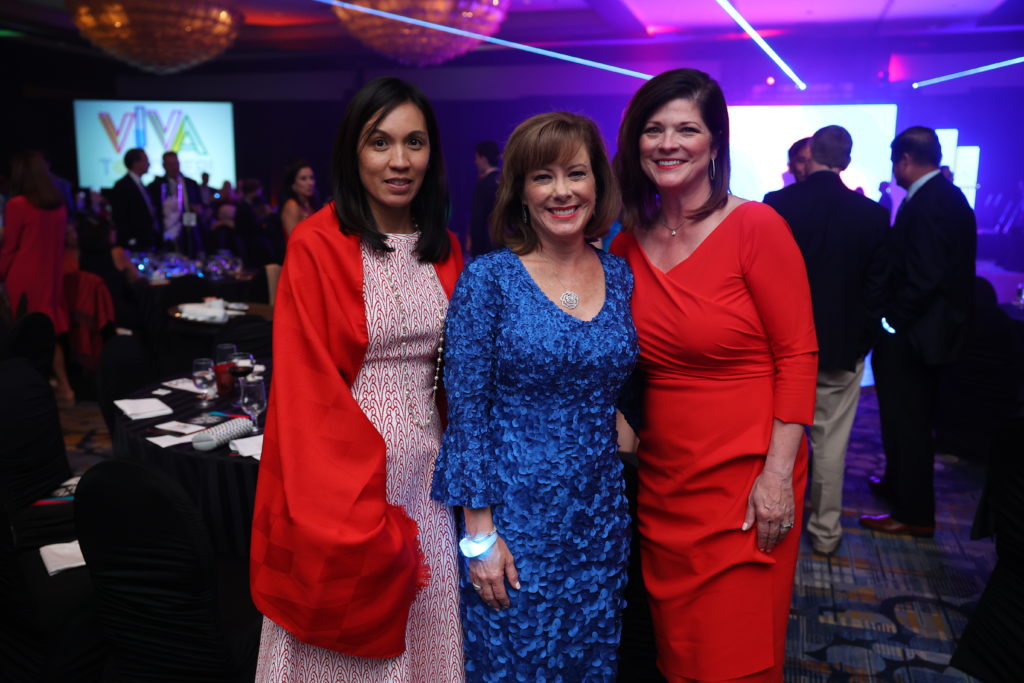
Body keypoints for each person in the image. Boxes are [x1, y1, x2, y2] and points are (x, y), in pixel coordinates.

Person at [250, 77, 465, 681]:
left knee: (424, 625)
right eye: (381, 143)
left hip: (431, 476)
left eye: (415, 143)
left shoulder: (443, 246)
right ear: (354, 152)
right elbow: (304, 384)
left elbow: (461, 367)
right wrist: (353, 496)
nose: (400, 161)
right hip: (347, 472)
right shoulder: (317, 243)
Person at [610, 68, 818, 681]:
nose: (668, 143)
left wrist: (777, 474)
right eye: (654, 129)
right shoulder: (625, 246)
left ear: (714, 144)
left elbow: (799, 355)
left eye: (686, 129)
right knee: (678, 648)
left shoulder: (756, 228)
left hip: (750, 476)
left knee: (736, 653)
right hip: (666, 477)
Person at [432, 111, 637, 680]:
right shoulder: (490, 279)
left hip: (597, 519)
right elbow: (467, 413)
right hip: (514, 524)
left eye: (576, 173)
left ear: (598, 182)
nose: (563, 191)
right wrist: (480, 537)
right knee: (513, 664)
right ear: (520, 191)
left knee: (589, 661)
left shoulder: (620, 275)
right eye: (543, 177)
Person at [763, 125, 889, 555]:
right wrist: (862, 340)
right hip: (841, 348)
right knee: (831, 447)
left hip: (779, 349)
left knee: (773, 439)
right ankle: (825, 533)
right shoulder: (872, 214)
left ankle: (771, 523)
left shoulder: (778, 205)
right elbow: (877, 288)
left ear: (809, 154)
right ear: (847, 162)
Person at [860, 126, 977, 537]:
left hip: (917, 337)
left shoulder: (931, 201)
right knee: (902, 422)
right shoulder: (942, 195)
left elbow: (924, 276)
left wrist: (892, 322)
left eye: (895, 163)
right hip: (926, 334)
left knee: (907, 425)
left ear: (905, 160)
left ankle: (913, 514)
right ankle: (898, 490)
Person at [0, 151, 75, 406]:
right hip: (50, 276)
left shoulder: (17, 205)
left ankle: (50, 389)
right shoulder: (57, 205)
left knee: (24, 335)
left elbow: (10, 248)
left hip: (24, 277)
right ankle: (59, 387)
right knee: (48, 332)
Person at [148, 151, 202, 254]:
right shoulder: (157, 185)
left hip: (188, 220)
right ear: (164, 165)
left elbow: (198, 204)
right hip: (167, 225)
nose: (174, 167)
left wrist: (197, 210)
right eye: (170, 164)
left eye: (176, 163)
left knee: (189, 247)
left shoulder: (190, 183)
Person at [109, 147, 158, 250]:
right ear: (135, 163)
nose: (148, 164)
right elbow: (120, 216)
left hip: (145, 240)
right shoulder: (122, 185)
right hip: (133, 243)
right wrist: (131, 239)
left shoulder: (142, 185)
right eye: (145, 160)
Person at [468, 140, 500, 257]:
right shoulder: (505, 182)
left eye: (477, 158)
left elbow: (478, 219)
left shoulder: (483, 185)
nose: (475, 162)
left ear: (483, 159)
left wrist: (474, 248)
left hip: (484, 247)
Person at [279, 160, 318, 240]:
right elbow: (294, 240)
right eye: (303, 179)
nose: (310, 183)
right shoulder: (291, 205)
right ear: (293, 184)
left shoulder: (310, 204)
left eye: (311, 178)